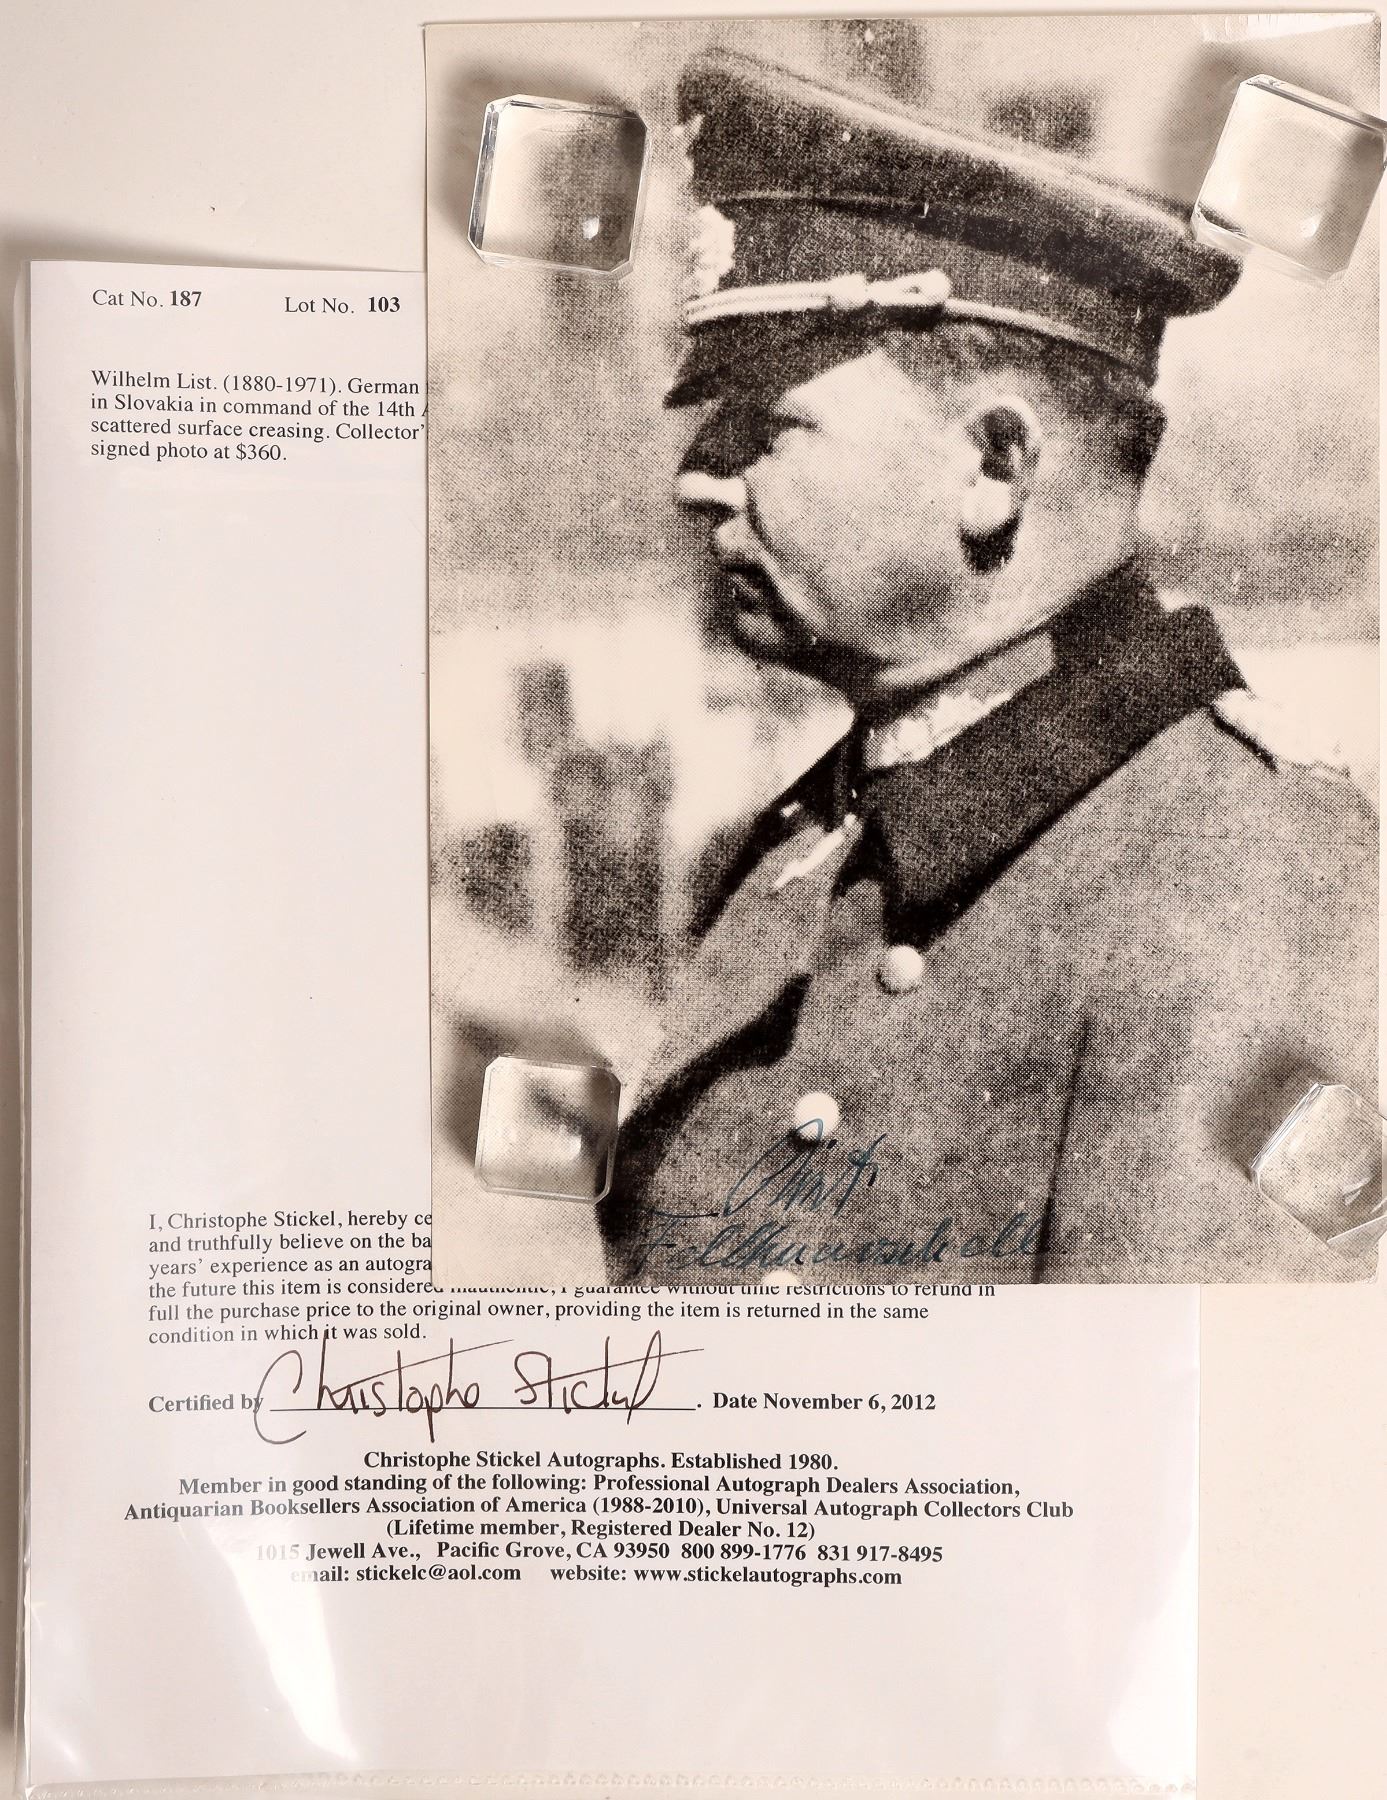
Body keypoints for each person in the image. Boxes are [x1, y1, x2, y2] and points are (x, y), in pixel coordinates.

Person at [599, 50, 1377, 1285]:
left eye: (763, 423)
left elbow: (1194, 1387)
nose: (696, 480)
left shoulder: (1243, 861)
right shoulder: (806, 844)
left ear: (993, 467)